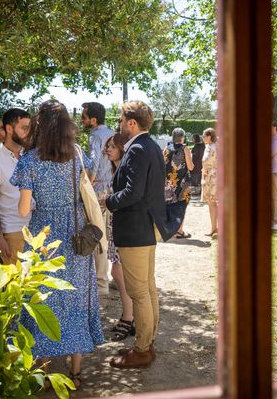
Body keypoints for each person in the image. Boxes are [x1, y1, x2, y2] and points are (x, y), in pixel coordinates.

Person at [10, 100, 103, 387]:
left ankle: (44, 371)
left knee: (42, 299)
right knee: (75, 298)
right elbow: (89, 182)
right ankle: (75, 371)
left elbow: (24, 211)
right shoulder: (76, 153)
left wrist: (41, 202)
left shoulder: (28, 160)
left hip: (44, 238)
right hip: (76, 238)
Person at [104, 100, 174, 368]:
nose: (119, 125)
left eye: (121, 120)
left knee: (139, 292)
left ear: (131, 123)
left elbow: (133, 192)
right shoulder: (152, 146)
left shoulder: (135, 150)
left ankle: (142, 348)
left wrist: (109, 201)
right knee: (148, 288)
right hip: (145, 226)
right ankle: (148, 342)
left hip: (134, 228)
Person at [0, 108, 31, 264]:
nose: (28, 132)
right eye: (24, 128)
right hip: (12, 233)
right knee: (14, 286)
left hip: (36, 231)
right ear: (9, 129)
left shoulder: (31, 158)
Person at [103, 133, 136, 341]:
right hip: (116, 226)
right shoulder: (114, 169)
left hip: (124, 227)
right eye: (107, 146)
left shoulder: (125, 170)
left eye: (112, 146)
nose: (108, 149)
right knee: (117, 272)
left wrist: (106, 200)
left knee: (120, 273)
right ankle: (128, 316)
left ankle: (129, 317)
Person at [81, 101, 113, 296]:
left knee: (97, 235)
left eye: (83, 117)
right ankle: (105, 279)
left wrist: (87, 186)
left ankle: (101, 283)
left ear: (93, 120)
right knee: (108, 235)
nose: (81, 120)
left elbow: (92, 165)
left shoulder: (95, 136)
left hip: (100, 189)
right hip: (112, 189)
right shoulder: (112, 133)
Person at [163, 127, 194, 238]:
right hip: (182, 183)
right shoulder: (185, 149)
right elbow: (190, 167)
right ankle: (179, 230)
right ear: (182, 137)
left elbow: (162, 165)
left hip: (169, 183)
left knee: (169, 205)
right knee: (181, 206)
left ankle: (168, 229)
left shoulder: (167, 148)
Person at [201, 128, 218, 236]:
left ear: (209, 136)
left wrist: (204, 169)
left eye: (204, 136)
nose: (203, 138)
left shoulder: (210, 147)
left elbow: (205, 160)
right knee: (214, 203)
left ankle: (213, 228)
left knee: (212, 203)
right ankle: (215, 227)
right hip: (215, 176)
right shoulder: (217, 146)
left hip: (210, 178)